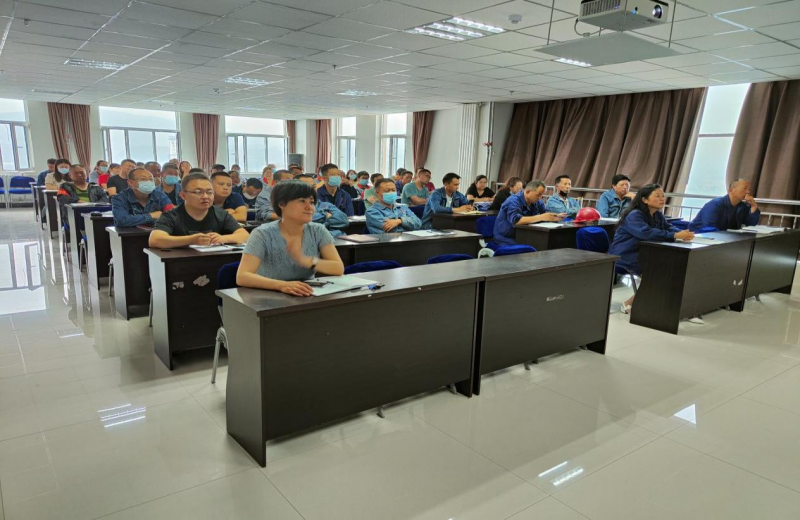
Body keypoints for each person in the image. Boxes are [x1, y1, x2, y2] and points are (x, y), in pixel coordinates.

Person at [236, 180, 345, 296]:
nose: (309, 207)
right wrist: (281, 285)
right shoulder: (262, 233)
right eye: (302, 201)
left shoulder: (318, 230)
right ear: (282, 204)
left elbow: (338, 268)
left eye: (312, 202)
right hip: (269, 295)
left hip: (305, 293)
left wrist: (305, 260)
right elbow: (242, 277)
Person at [609, 184, 695, 314]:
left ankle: (670, 304)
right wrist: (675, 236)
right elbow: (646, 233)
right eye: (657, 196)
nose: (662, 199)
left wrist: (682, 233)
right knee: (661, 270)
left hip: (646, 253)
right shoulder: (634, 215)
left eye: (663, 196)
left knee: (673, 267)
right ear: (644, 199)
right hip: (627, 255)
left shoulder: (657, 215)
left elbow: (668, 227)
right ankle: (630, 303)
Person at [149, 173, 249, 248]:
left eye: (209, 192)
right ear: (183, 195)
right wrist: (191, 240)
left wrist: (222, 238)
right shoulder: (171, 216)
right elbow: (155, 240)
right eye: (198, 192)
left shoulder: (221, 214)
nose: (205, 196)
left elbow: (245, 235)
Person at [493, 180, 564, 246]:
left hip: (527, 235)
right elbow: (516, 220)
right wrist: (542, 217)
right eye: (538, 194)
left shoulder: (538, 201)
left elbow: (544, 213)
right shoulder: (513, 201)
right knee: (534, 248)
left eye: (542, 195)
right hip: (507, 238)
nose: (540, 197)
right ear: (527, 191)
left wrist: (554, 217)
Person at [689, 179, 760, 232]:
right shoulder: (715, 204)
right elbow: (708, 227)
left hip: (725, 237)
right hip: (699, 235)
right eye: (744, 188)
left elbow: (751, 223)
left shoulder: (742, 206)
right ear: (730, 190)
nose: (748, 192)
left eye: (749, 189)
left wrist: (754, 206)